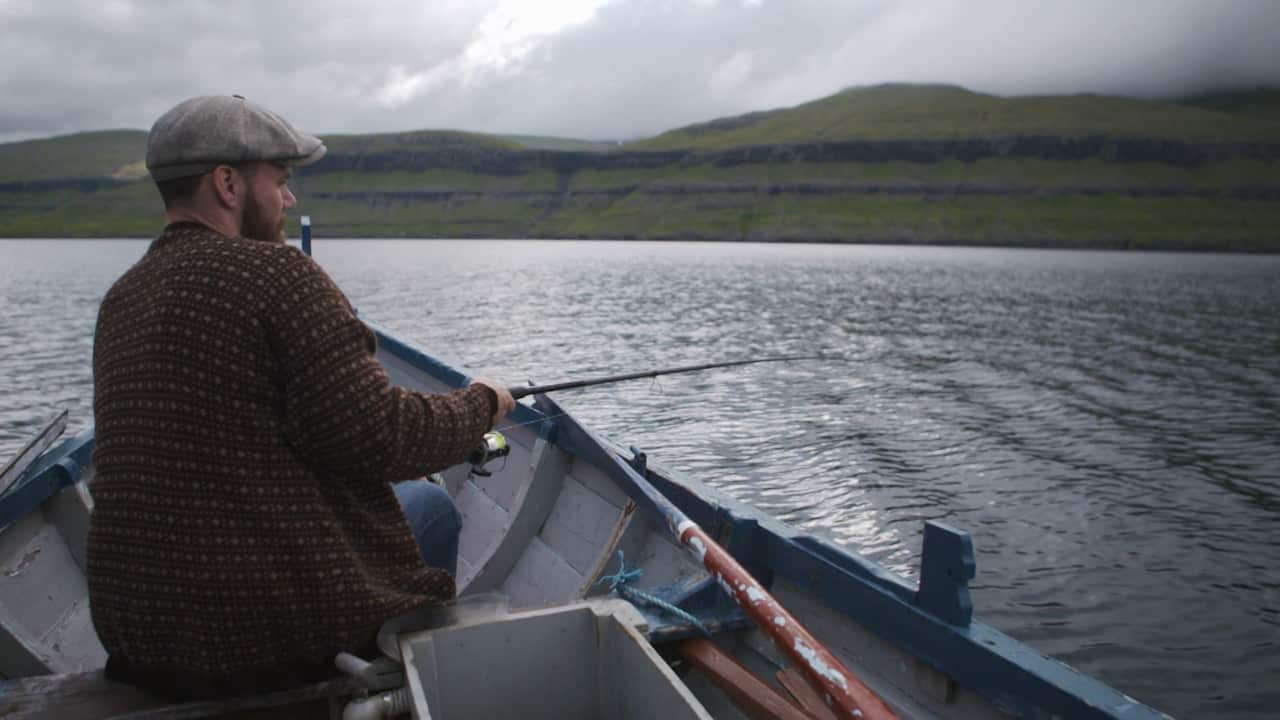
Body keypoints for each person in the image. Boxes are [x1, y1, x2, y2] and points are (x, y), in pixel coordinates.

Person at [86, 94, 515, 701]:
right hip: (270, 636)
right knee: (432, 506)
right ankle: (411, 689)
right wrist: (481, 404)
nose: (289, 200)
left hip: (143, 639)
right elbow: (384, 438)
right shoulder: (279, 275)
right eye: (280, 182)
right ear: (227, 183)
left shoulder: (122, 298)